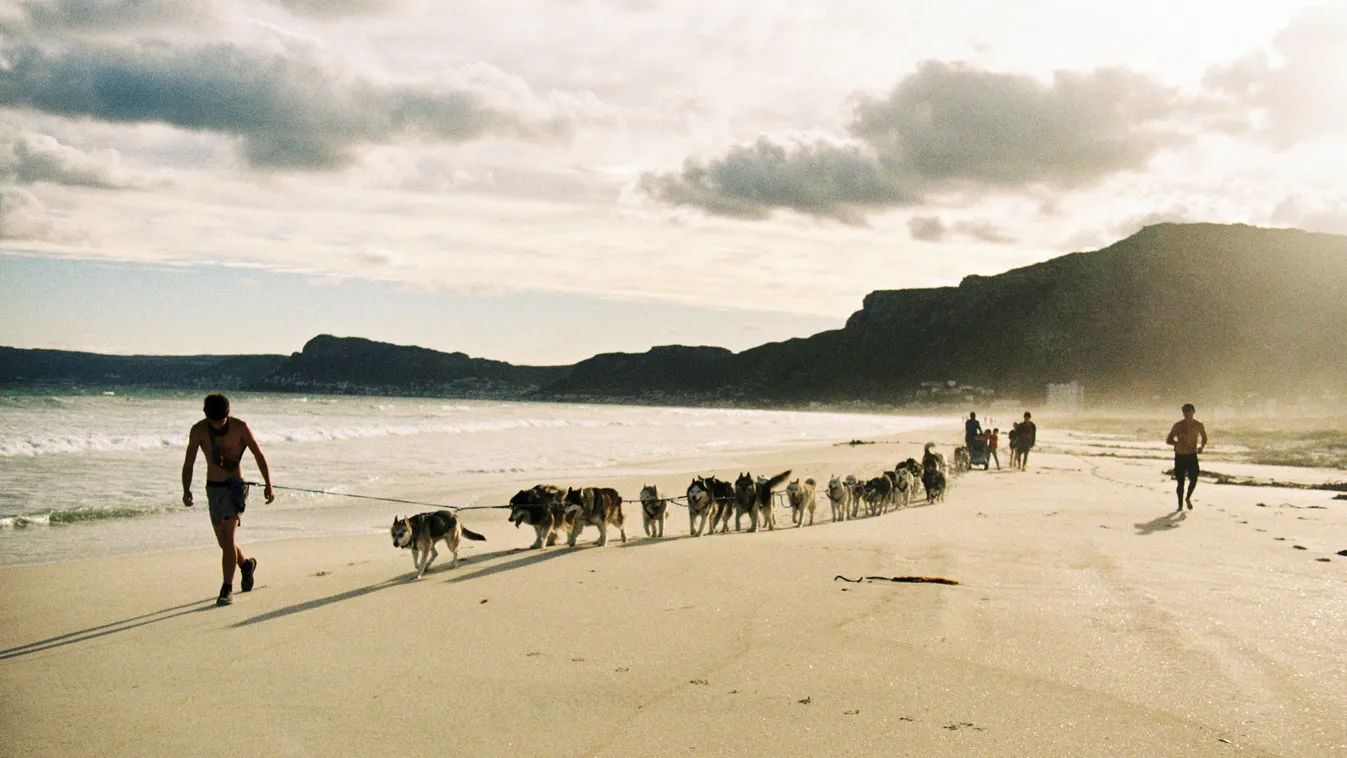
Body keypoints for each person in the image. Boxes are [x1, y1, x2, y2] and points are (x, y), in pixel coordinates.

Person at [182, 393, 274, 606]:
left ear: (227, 415)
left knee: (229, 538)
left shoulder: (240, 427)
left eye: (220, 421)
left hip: (234, 488)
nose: (216, 426)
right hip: (213, 489)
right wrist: (186, 489)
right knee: (224, 542)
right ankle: (246, 565)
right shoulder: (198, 430)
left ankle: (227, 588)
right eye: (212, 422)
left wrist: (268, 484)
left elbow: (259, 455)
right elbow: (189, 462)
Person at [1165, 403, 1208, 512]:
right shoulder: (1178, 425)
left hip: (1192, 455)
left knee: (1194, 478)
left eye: (1188, 411)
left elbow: (1204, 438)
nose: (1186, 413)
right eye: (1184, 411)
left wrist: (1201, 447)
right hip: (1180, 455)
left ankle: (1188, 497)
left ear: (1193, 412)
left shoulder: (1198, 425)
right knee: (1180, 482)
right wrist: (1176, 444)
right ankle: (1180, 505)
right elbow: (1168, 440)